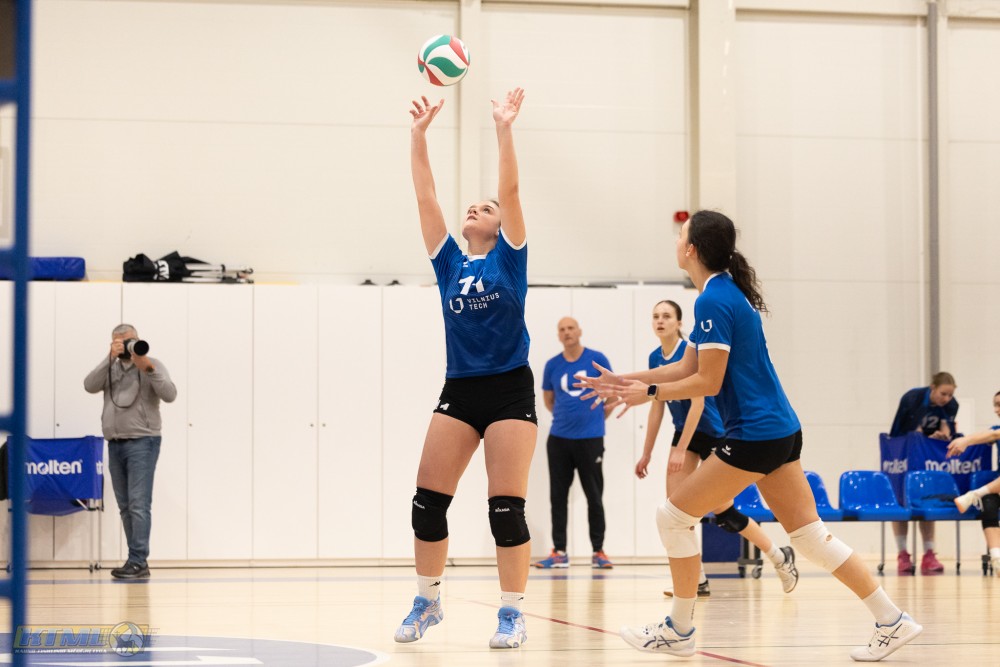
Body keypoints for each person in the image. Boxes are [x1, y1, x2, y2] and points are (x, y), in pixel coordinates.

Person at [578, 210, 921, 661]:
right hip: (780, 429)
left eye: (680, 236)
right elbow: (685, 365)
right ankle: (892, 620)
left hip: (755, 434)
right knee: (809, 537)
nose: (676, 242)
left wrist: (652, 393)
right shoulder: (721, 293)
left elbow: (708, 382)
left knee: (672, 518)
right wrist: (626, 381)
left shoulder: (713, 300)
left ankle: (679, 630)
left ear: (692, 249)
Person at [393, 88, 536, 650]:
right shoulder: (450, 261)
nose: (476, 208)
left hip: (509, 390)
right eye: (472, 206)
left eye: (487, 208)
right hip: (460, 388)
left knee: (505, 509)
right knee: (427, 504)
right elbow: (425, 196)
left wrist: (504, 128)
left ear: (500, 227)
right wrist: (418, 135)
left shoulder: (510, 258)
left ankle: (512, 613)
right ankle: (428, 601)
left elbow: (512, 191)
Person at [635, 299, 798, 598]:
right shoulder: (654, 357)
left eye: (667, 316)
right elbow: (656, 406)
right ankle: (696, 580)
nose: (660, 321)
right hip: (684, 433)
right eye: (655, 316)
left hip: (712, 431)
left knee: (722, 509)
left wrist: (681, 449)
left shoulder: (688, 352)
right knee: (674, 509)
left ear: (679, 323)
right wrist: (647, 452)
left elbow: (697, 403)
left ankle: (778, 555)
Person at [83, 324, 176, 579]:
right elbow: (89, 385)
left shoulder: (151, 364)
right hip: (115, 443)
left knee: (138, 504)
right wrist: (109, 357)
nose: (127, 346)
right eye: (121, 342)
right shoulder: (110, 368)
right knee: (125, 506)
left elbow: (170, 394)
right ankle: (135, 560)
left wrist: (147, 367)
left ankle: (138, 561)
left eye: (131, 340)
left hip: (143, 442)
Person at [532, 317, 614, 570]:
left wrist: (595, 419)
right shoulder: (552, 365)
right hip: (559, 440)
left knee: (594, 496)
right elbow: (548, 400)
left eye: (570, 328)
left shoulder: (597, 359)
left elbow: (612, 393)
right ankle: (559, 552)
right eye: (562, 329)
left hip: (591, 439)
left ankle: (598, 551)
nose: (567, 332)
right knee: (558, 497)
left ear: (579, 331)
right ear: (558, 335)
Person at [888, 372, 959, 575]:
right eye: (943, 394)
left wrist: (942, 435)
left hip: (926, 457)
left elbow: (947, 427)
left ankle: (929, 554)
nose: (947, 399)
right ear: (932, 388)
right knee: (901, 504)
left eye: (950, 395)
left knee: (927, 501)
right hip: (903, 454)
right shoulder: (912, 398)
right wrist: (920, 436)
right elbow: (904, 429)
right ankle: (902, 553)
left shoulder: (952, 404)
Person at [949, 390, 1000, 576]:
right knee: (988, 505)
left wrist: (967, 440)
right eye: (995, 405)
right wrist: (962, 439)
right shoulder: (995, 429)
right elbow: (990, 435)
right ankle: (997, 559)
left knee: (983, 497)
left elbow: (995, 435)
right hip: (997, 487)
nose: (996, 409)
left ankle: (975, 494)